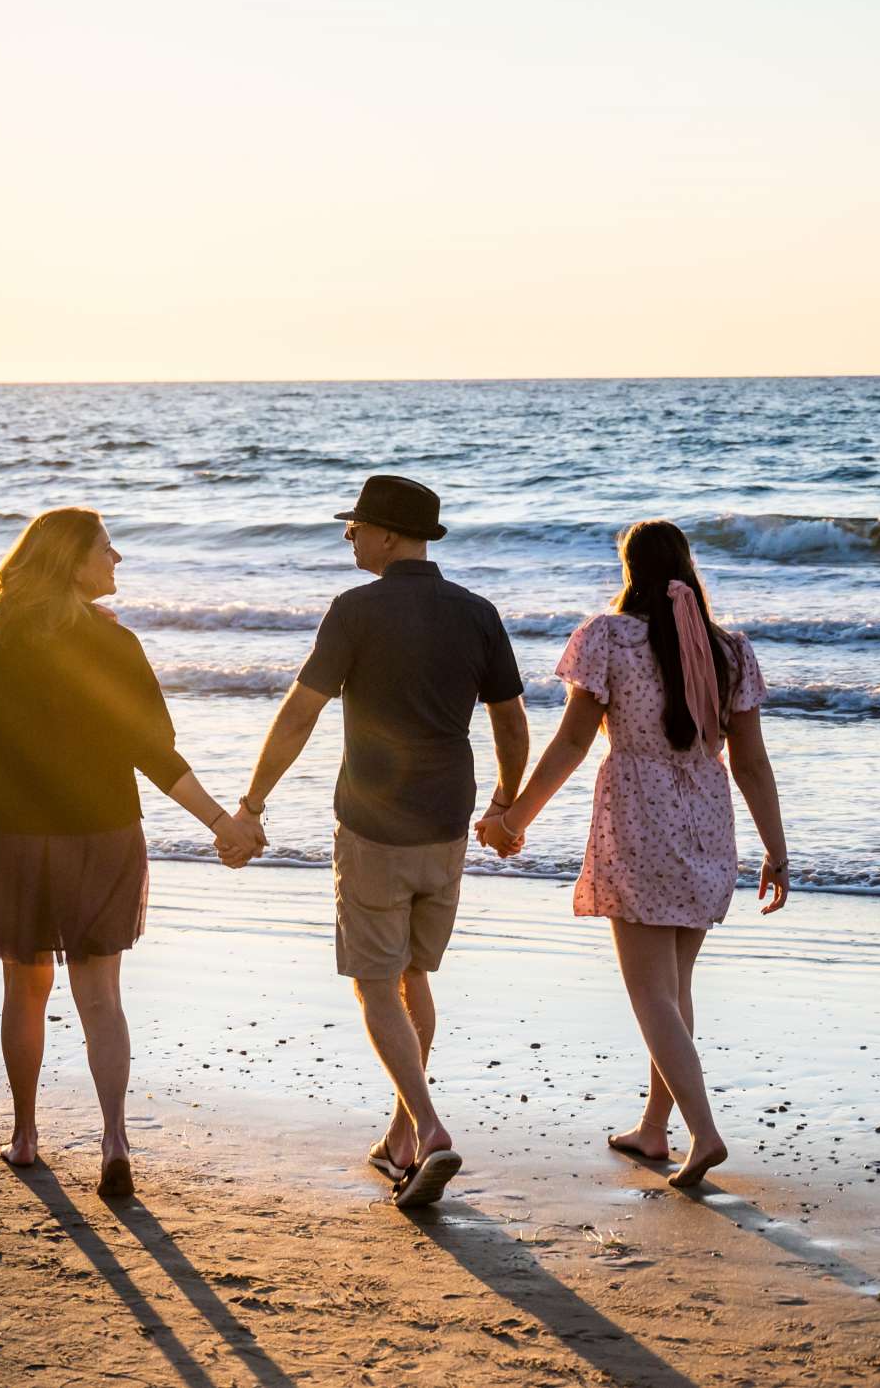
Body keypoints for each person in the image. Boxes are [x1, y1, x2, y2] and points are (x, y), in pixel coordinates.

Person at [0, 508, 256, 1198]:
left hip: (15, 836)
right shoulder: (117, 647)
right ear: (72, 562)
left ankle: (25, 1135)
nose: (118, 558)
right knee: (100, 995)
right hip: (102, 835)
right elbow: (155, 754)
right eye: (107, 548)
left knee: (25, 989)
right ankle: (113, 1139)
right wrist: (221, 821)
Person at [232, 475, 528, 1209]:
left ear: (389, 535)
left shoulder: (355, 611)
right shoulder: (478, 612)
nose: (348, 537)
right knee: (413, 977)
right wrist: (503, 804)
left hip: (373, 823)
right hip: (448, 823)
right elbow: (513, 726)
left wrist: (252, 801)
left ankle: (429, 1129)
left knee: (375, 982)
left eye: (357, 526)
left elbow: (300, 714)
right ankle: (401, 1139)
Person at [481, 519, 790, 1191]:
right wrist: (777, 851)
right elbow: (753, 764)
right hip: (707, 819)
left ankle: (704, 1133)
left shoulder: (611, 638)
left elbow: (570, 743)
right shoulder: (731, 650)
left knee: (650, 993)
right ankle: (655, 1128)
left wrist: (513, 818)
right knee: (674, 990)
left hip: (640, 817)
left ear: (630, 570)